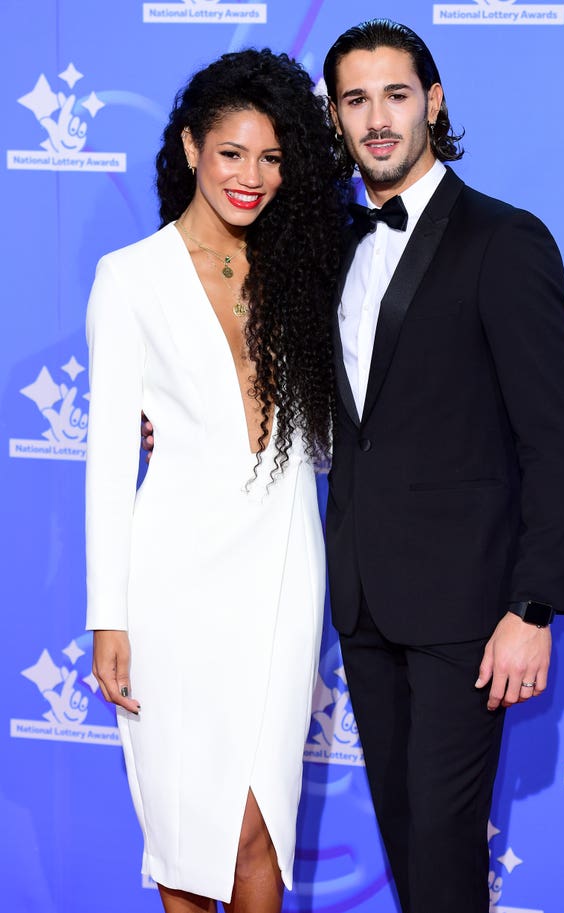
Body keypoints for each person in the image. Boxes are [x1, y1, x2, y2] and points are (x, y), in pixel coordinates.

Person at [320, 18, 564, 913]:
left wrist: (532, 607)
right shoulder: (327, 248)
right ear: (335, 118)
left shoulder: (504, 241)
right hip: (361, 598)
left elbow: (553, 438)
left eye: (396, 95)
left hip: (468, 613)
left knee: (441, 848)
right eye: (356, 100)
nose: (379, 118)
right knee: (407, 838)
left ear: (433, 102)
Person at [85, 49, 346, 913]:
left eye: (272, 157)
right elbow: (106, 460)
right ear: (192, 147)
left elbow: (328, 430)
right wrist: (107, 614)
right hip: (174, 578)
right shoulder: (130, 277)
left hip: (280, 561)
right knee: (188, 830)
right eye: (232, 152)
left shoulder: (299, 269)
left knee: (255, 823)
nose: (252, 176)